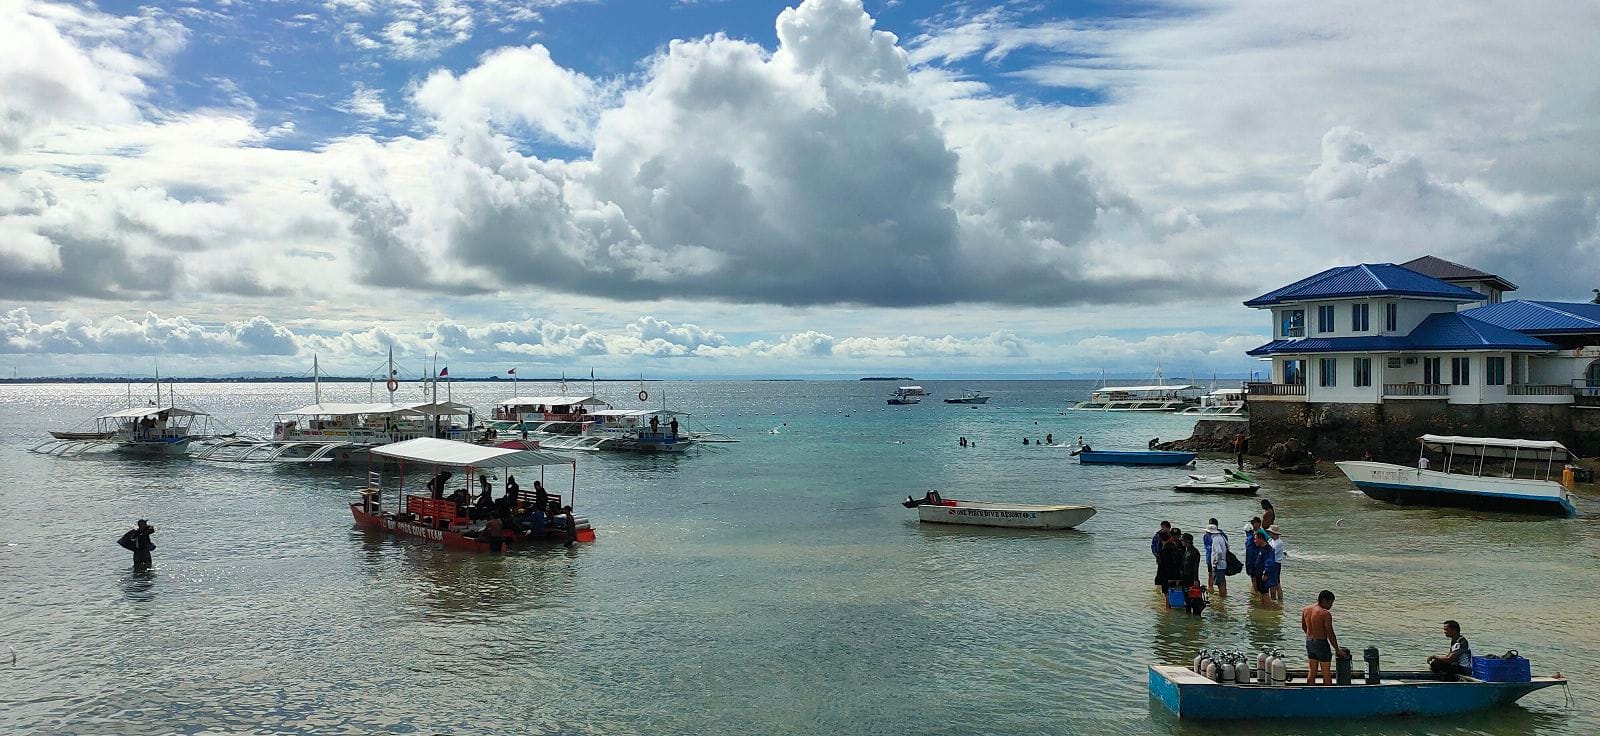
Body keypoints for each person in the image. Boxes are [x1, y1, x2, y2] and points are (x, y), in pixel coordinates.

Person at [1301, 590, 1340, 685]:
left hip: (1309, 642)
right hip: (1321, 644)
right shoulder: (1325, 614)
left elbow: (1304, 627)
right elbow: (1330, 633)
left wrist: (1312, 636)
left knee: (1312, 671)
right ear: (1324, 600)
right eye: (1330, 603)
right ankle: (1328, 696)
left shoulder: (1306, 610)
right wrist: (1337, 650)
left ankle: (1310, 693)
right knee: (1326, 673)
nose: (1331, 606)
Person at [1203, 521, 1230, 596]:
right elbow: (1228, 546)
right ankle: (1224, 596)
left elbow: (1219, 552)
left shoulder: (1215, 539)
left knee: (1219, 583)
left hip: (1219, 564)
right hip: (1223, 562)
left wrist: (1216, 560)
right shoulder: (1221, 537)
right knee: (1222, 581)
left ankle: (1222, 597)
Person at [1265, 525, 1286, 603]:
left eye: (1270, 532)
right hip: (1273, 563)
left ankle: (1278, 600)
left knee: (1276, 583)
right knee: (1274, 583)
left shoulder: (1279, 543)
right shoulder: (1272, 540)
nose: (1269, 533)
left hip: (1276, 564)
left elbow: (1272, 552)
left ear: (1273, 533)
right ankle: (1275, 600)